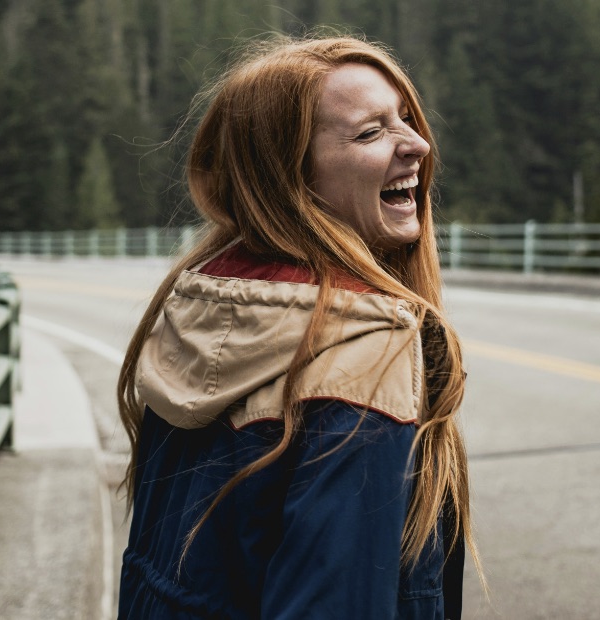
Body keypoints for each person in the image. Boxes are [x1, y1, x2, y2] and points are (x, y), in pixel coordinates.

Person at [117, 35, 481, 619]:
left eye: (406, 119)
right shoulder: (363, 347)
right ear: (288, 179)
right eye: (370, 132)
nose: (417, 144)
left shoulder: (197, 303)